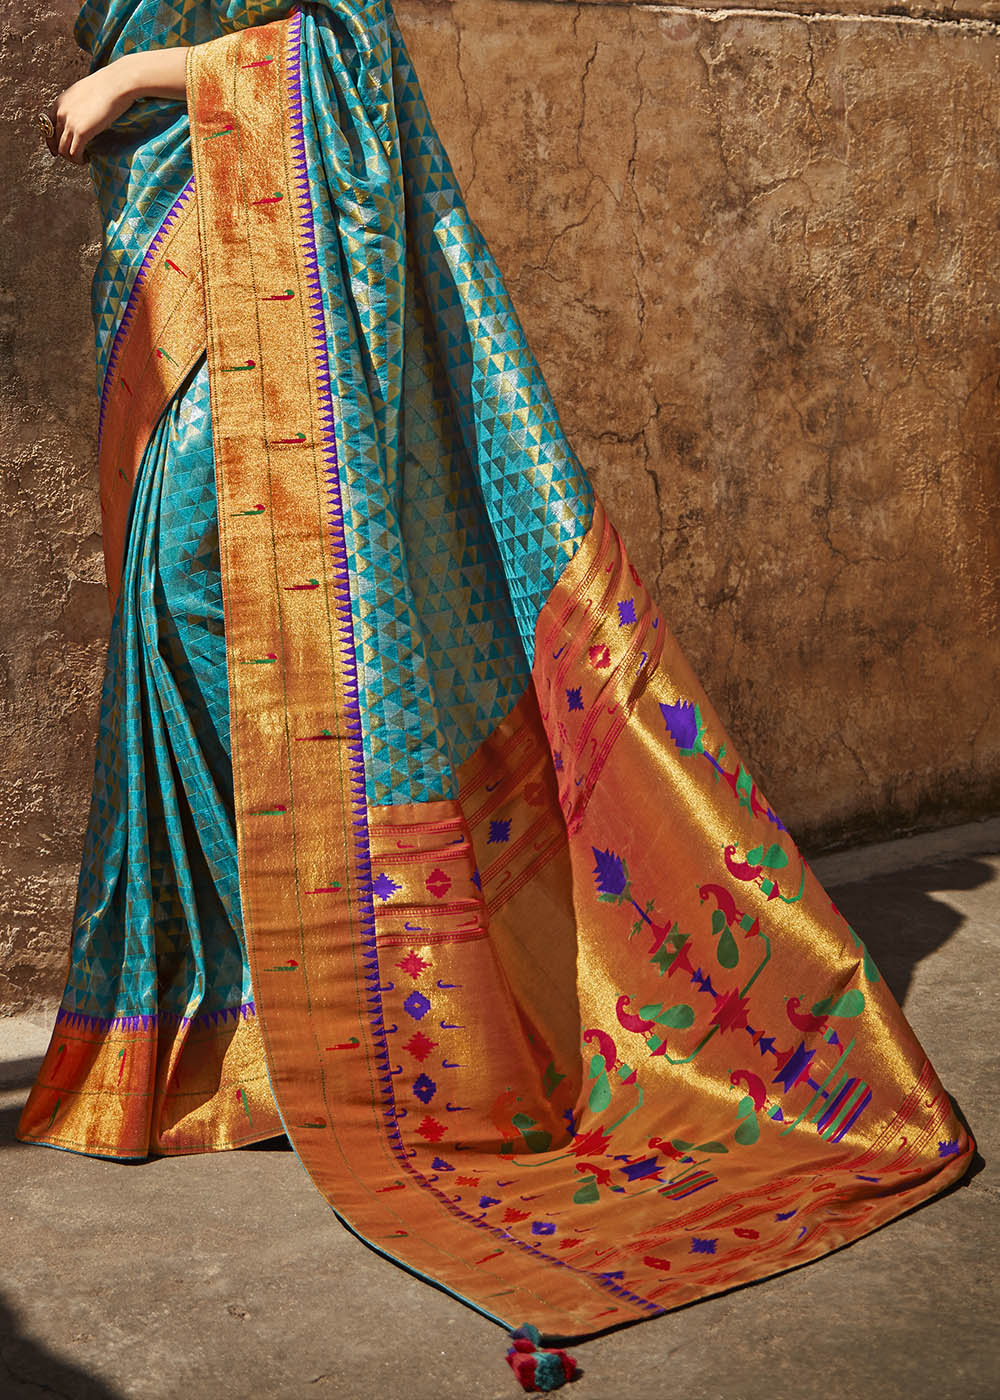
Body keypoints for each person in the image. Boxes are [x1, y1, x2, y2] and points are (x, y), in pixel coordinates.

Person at [21, 1, 975, 1391]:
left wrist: (144, 72)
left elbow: (349, 52)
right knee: (175, 632)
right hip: (162, 242)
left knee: (213, 599)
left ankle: (376, 1014)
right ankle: (243, 1030)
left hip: (255, 260)